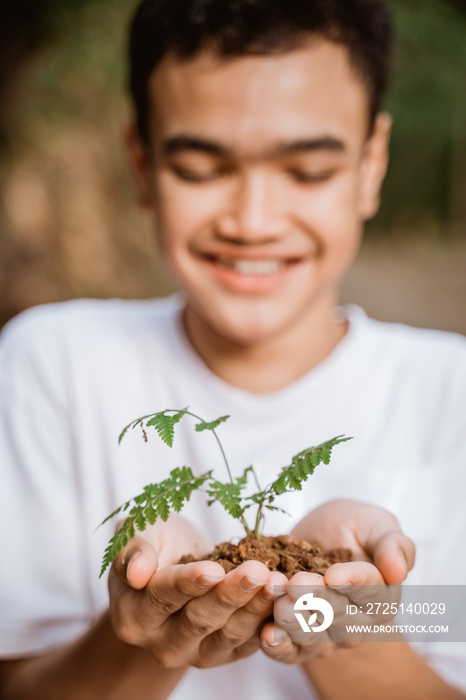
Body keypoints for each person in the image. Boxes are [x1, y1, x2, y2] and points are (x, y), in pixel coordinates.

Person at [0, 0, 465, 697]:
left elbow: (447, 619)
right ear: (141, 162)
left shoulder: (450, 391)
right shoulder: (52, 363)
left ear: (371, 166)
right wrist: (143, 631)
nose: (252, 221)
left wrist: (338, 617)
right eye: (200, 169)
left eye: (307, 171)